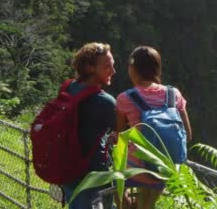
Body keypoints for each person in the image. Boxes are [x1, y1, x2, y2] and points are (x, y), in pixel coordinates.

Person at [116, 45, 192, 209]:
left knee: (116, 185)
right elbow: (187, 134)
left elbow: (121, 138)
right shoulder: (174, 94)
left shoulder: (125, 98)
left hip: (137, 170)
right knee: (147, 204)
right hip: (166, 169)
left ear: (133, 68)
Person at [61, 42, 117, 209]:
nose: (113, 71)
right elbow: (123, 137)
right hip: (95, 176)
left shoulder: (68, 87)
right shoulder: (105, 102)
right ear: (90, 68)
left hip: (68, 170)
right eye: (107, 66)